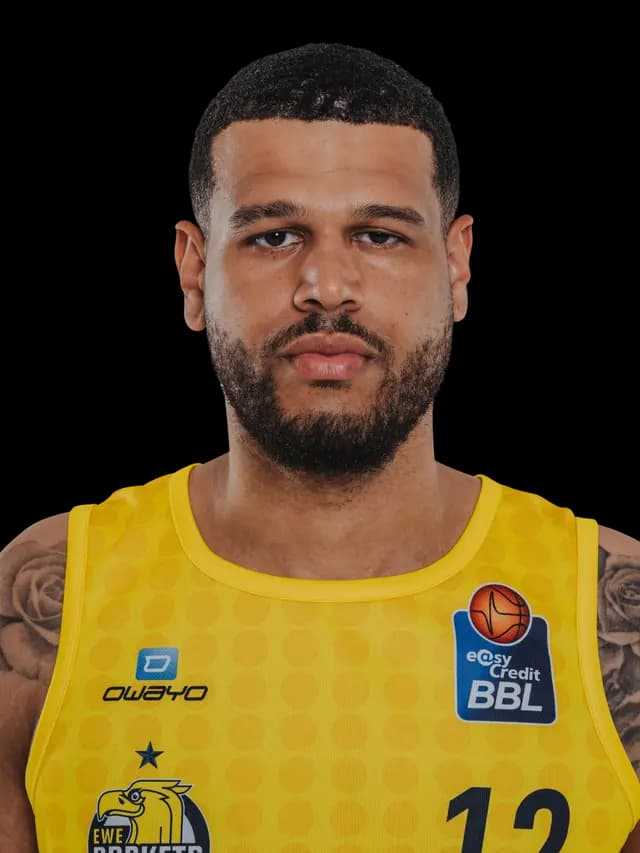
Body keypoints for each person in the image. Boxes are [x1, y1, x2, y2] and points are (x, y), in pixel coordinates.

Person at [0, 41, 638, 853]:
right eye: (274, 236)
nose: (327, 286)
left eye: (379, 235)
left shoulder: (608, 606)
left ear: (456, 267)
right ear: (194, 273)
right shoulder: (46, 597)